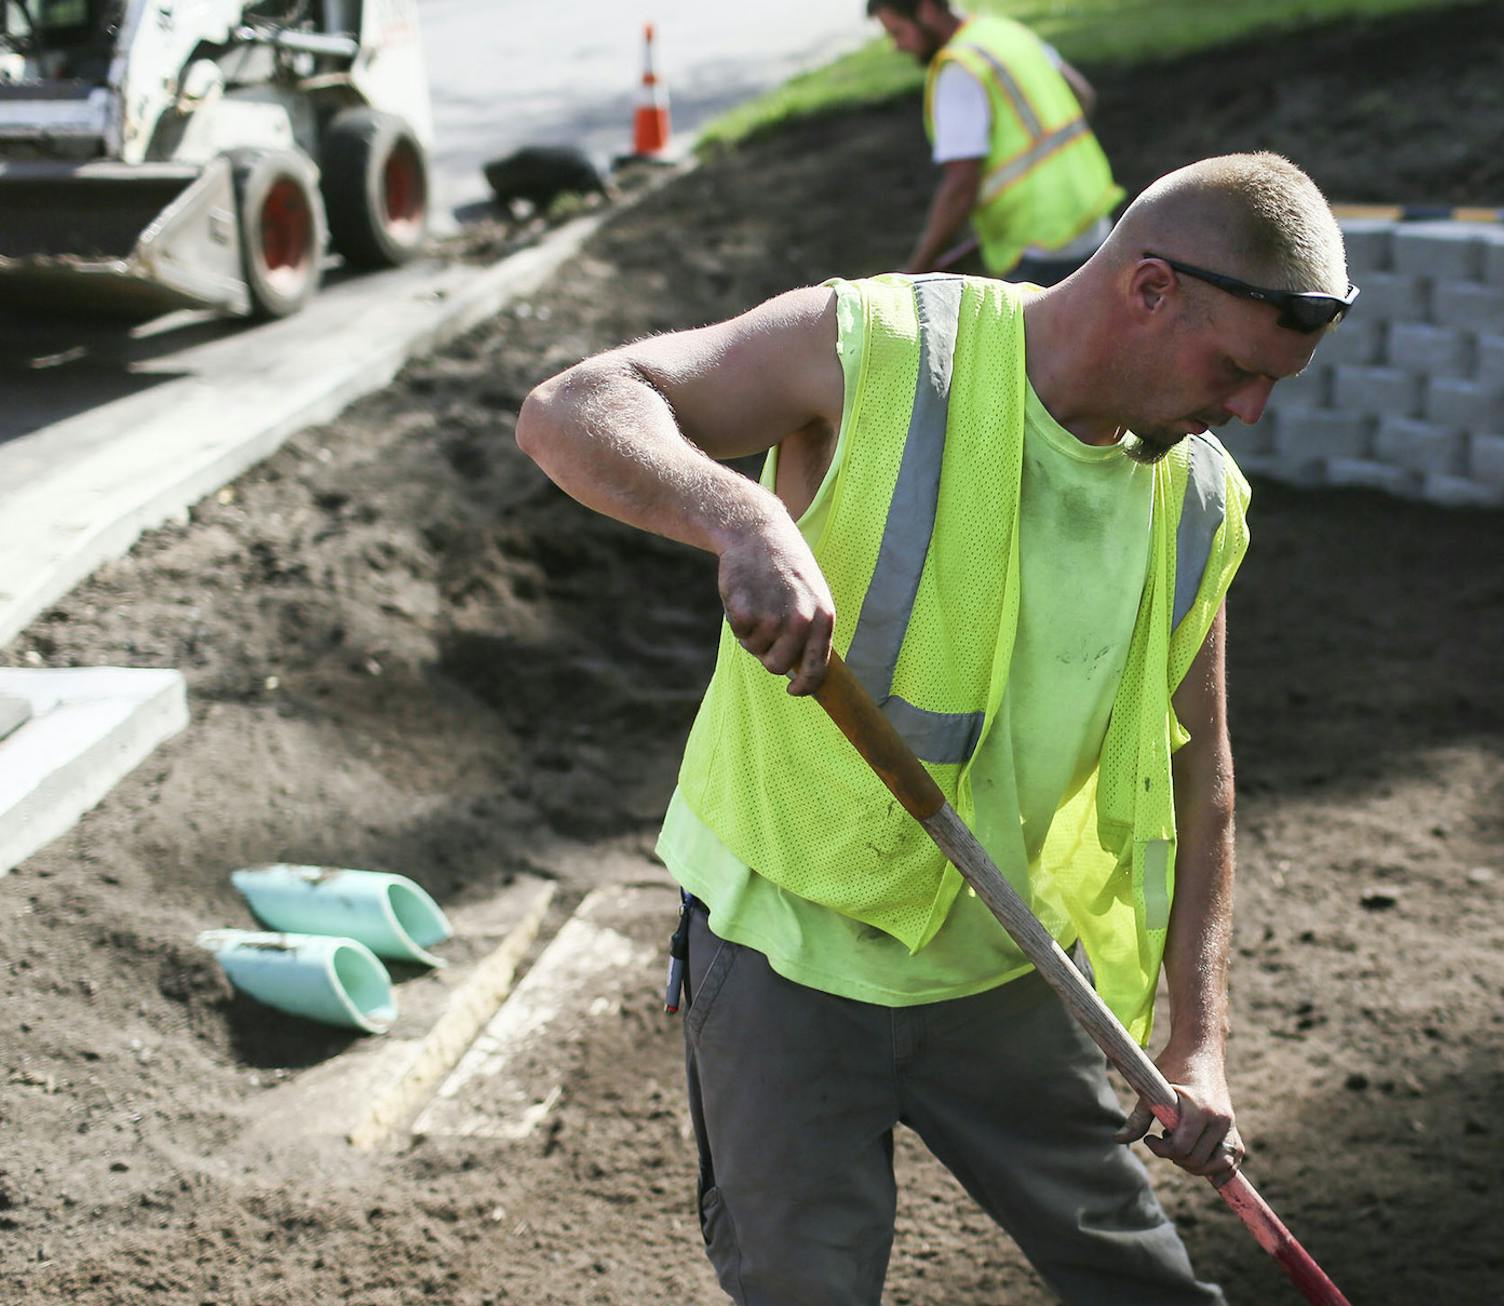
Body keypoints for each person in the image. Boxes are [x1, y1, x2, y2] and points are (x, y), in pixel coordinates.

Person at [515, 151, 1356, 1305]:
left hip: (1006, 965)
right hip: (787, 959)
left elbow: (1201, 774)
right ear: (1150, 288)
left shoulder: (1197, 497)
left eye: (1275, 383)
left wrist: (1198, 1039)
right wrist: (743, 516)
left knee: (1139, 1281)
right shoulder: (882, 351)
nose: (1250, 410)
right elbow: (574, 406)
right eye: (1236, 368)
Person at [869, 0, 1123, 284]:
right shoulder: (1004, 31)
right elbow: (1083, 94)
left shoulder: (959, 69)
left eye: (898, 32)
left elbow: (960, 189)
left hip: (1040, 245)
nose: (897, 46)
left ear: (927, 9)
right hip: (1092, 218)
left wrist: (916, 271)